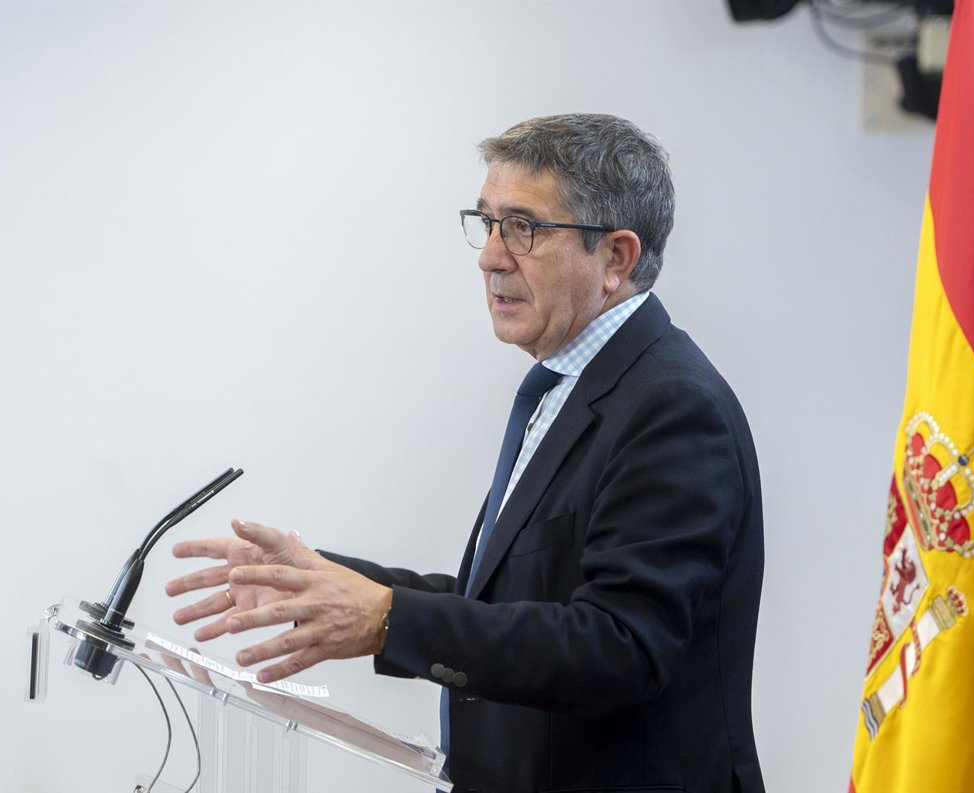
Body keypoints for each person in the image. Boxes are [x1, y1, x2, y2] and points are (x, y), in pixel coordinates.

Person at [166, 113, 765, 793]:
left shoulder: (671, 405)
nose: (491, 257)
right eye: (488, 223)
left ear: (616, 258)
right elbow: (508, 602)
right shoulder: (572, 386)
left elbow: (619, 648)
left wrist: (387, 619)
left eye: (524, 227)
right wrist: (330, 582)